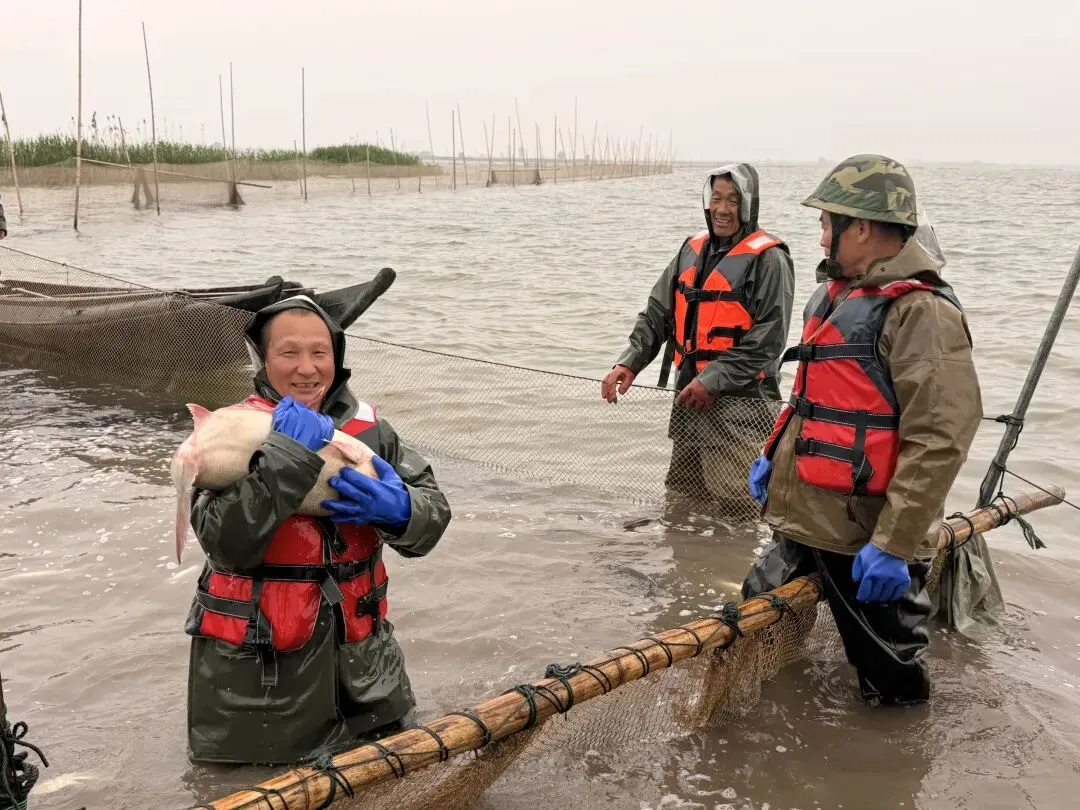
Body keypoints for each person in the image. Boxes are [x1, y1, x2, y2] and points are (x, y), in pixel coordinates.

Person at [744, 154, 982, 706]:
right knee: (755, 623)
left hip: (867, 535)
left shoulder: (922, 312)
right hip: (806, 517)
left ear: (863, 228)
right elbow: (810, 397)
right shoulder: (837, 294)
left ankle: (897, 752)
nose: (820, 234)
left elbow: (940, 438)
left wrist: (894, 546)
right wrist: (773, 457)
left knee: (889, 677)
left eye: (827, 222)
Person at [183, 294, 452, 765]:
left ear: (337, 358)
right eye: (288, 353)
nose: (306, 369)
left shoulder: (373, 433)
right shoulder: (228, 432)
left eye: (319, 353)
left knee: (397, 771)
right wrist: (285, 456)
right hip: (257, 685)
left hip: (370, 672)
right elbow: (226, 545)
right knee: (245, 789)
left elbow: (432, 518)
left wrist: (402, 511)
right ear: (263, 359)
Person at [601, 164, 794, 514]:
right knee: (682, 499)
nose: (722, 209)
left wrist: (713, 379)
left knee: (737, 509)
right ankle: (681, 551)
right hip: (690, 401)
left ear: (749, 204)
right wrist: (629, 362)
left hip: (742, 408)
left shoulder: (770, 259)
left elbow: (769, 339)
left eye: (733, 200)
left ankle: (735, 554)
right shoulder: (690, 249)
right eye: (716, 198)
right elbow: (657, 313)